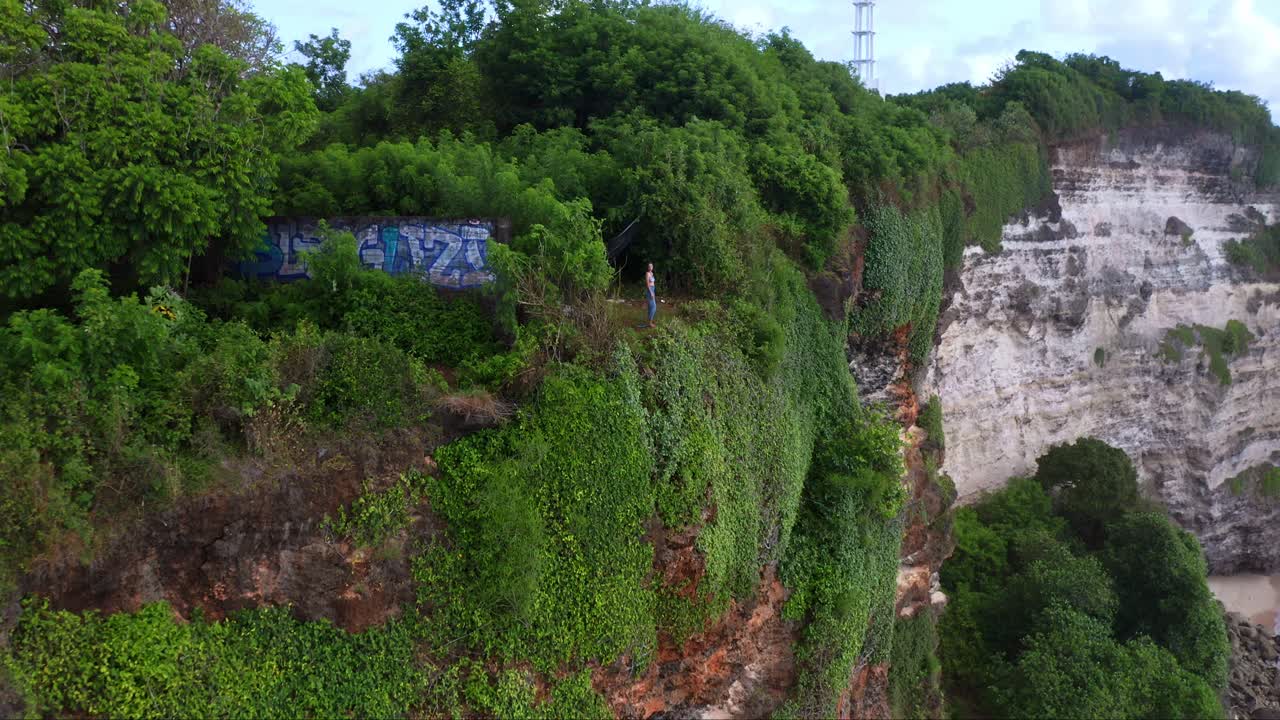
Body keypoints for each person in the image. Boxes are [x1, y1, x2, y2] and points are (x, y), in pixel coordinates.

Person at [645, 263, 657, 328]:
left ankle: (650, 321)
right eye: (649, 266)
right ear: (648, 267)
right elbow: (647, 284)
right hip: (650, 291)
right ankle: (650, 322)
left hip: (653, 289)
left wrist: (653, 292)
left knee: (650, 307)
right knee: (654, 307)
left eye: (652, 266)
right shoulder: (647, 274)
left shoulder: (652, 273)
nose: (650, 267)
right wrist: (651, 292)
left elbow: (653, 283)